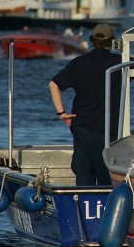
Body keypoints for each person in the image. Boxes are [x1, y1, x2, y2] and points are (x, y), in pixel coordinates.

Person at [49, 23, 121, 186]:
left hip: (82, 126)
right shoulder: (120, 63)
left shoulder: (79, 63)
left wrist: (61, 113)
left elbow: (54, 84)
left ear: (92, 41)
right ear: (112, 42)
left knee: (84, 177)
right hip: (108, 129)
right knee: (106, 178)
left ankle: (83, 207)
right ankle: (104, 208)